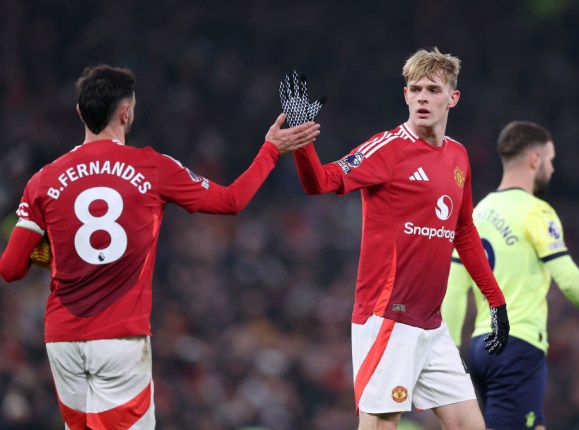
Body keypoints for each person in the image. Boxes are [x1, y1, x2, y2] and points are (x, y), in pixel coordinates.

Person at [0, 64, 320, 429]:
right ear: (126, 112)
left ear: (79, 112)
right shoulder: (153, 167)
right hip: (119, 338)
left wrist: (55, 253)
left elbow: (10, 269)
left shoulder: (43, 179)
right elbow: (231, 201)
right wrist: (270, 150)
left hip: (62, 341)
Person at [281, 48, 510, 430]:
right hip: (387, 318)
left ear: (452, 98)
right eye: (415, 89)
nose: (423, 97)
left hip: (431, 325)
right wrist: (304, 140)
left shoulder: (458, 156)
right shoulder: (386, 149)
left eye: (433, 90)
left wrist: (496, 302)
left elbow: (464, 231)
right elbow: (318, 182)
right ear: (405, 95)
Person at [441, 120, 579, 430]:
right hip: (517, 343)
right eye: (550, 160)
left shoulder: (476, 213)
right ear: (534, 159)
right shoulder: (536, 212)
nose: (552, 168)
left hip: (481, 347)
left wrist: (449, 349)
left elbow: (453, 286)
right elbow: (568, 277)